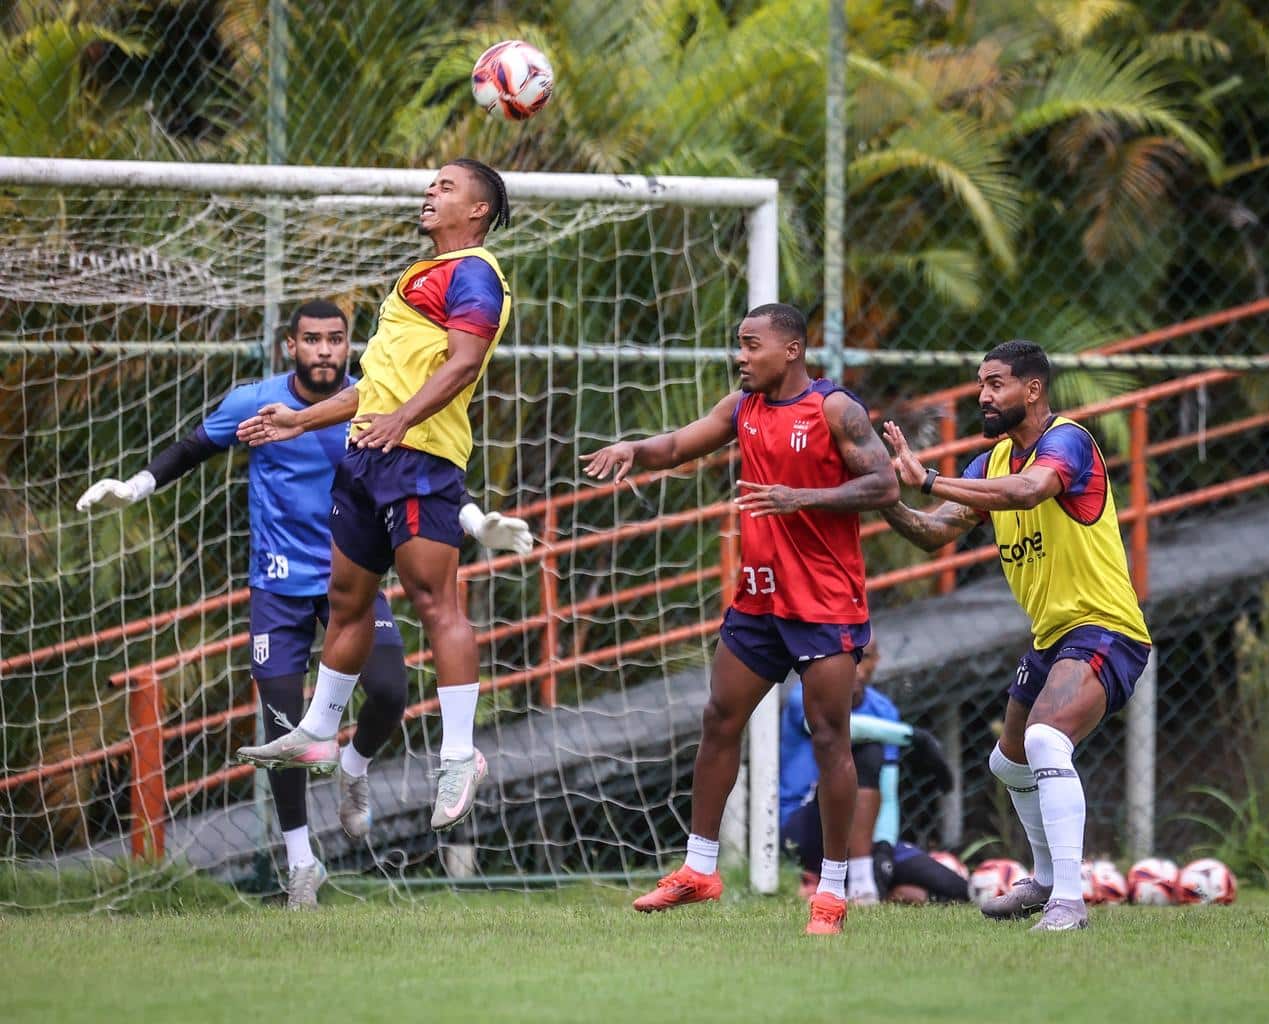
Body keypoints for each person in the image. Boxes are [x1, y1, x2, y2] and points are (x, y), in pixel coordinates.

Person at [75, 300, 531, 909]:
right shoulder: (255, 402)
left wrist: (475, 523)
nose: (324, 350)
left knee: (392, 690)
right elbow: (190, 449)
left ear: (349, 346)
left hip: (352, 580)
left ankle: (354, 765)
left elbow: (429, 470)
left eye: (335, 340)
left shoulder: (372, 400)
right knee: (285, 724)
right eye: (312, 339)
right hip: (278, 585)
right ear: (291, 345)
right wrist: (133, 489)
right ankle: (301, 865)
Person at [583, 302, 899, 935]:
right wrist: (634, 449)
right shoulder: (742, 408)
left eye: (752, 344)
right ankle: (699, 871)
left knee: (830, 736)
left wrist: (802, 498)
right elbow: (677, 444)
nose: (741, 355)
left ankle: (832, 895)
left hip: (824, 602)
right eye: (739, 344)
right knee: (719, 717)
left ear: (792, 350)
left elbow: (886, 486)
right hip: (759, 598)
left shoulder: (836, 410)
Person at [233, 159, 518, 838]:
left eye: (446, 187)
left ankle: (457, 757)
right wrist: (300, 419)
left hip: (419, 462)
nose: (430, 192)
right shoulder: (418, 279)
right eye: (432, 184)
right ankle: (318, 732)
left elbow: (464, 362)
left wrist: (403, 422)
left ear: (476, 211)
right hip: (368, 458)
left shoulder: (474, 271)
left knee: (433, 602)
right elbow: (376, 385)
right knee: (348, 600)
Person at [880, 339, 1151, 932]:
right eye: (981, 384)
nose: (983, 395)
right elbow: (934, 534)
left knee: (1048, 742)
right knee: (1008, 762)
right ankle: (1047, 881)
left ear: (1032, 389)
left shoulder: (1068, 440)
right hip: (1053, 635)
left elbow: (1030, 491)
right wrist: (883, 495)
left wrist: (927, 479)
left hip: (1106, 625)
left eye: (995, 383)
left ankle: (1069, 904)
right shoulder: (991, 463)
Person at [779, 632, 963, 905]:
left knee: (954, 887)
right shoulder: (803, 696)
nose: (852, 668)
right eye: (841, 658)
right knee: (867, 751)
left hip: (863, 835)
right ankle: (862, 887)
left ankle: (870, 883)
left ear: (876, 661)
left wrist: (885, 848)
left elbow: (887, 789)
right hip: (805, 826)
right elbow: (839, 729)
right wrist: (913, 736)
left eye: (861, 658)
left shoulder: (883, 710)